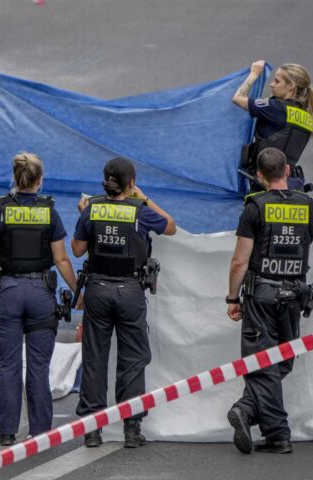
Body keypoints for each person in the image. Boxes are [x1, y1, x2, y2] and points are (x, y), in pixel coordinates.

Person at [225, 147, 313, 455]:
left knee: (264, 366)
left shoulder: (254, 207)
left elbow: (239, 261)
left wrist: (233, 298)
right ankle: (248, 412)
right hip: (293, 297)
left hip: (261, 296)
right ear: (287, 171)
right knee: (282, 361)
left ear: (259, 176)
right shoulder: (308, 205)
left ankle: (275, 433)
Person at [72, 157, 177, 449]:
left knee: (94, 360)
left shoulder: (92, 208)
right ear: (130, 183)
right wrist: (142, 197)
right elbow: (171, 227)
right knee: (132, 361)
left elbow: (78, 249)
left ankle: (92, 430)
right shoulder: (141, 211)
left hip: (97, 289)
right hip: (130, 291)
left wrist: (84, 216)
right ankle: (132, 430)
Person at [0, 153, 76, 446]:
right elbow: (61, 259)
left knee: (8, 366)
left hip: (8, 292)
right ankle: (40, 432)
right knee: (38, 366)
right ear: (39, 180)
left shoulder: (1, 210)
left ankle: (7, 433)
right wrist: (78, 292)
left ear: (16, 177)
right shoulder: (50, 212)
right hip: (39, 294)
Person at [232, 60, 313, 192]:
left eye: (277, 81)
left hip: (265, 182)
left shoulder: (276, 108)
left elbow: (237, 98)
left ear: (291, 86)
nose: (272, 84)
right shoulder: (307, 116)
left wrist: (254, 74)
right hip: (288, 183)